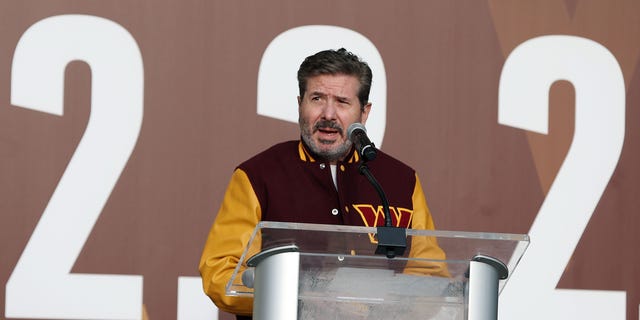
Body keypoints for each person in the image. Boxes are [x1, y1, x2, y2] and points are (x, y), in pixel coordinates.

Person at [199, 48, 447, 319]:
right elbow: (220, 273)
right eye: (317, 98)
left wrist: (380, 308)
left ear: (364, 113)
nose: (328, 114)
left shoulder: (400, 180)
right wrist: (303, 299)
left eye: (342, 101)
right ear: (300, 104)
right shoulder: (258, 175)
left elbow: (430, 273)